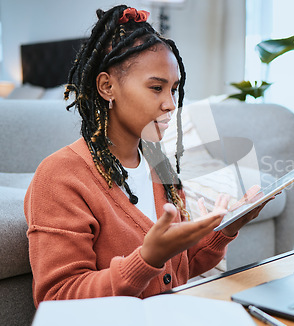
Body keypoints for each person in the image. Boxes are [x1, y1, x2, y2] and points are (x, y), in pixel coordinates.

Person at [24, 5, 271, 307]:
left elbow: (179, 268)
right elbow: (57, 299)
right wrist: (146, 258)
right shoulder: (60, 176)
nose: (170, 104)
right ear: (107, 86)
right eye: (156, 88)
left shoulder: (159, 162)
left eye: (174, 89)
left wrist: (224, 230)